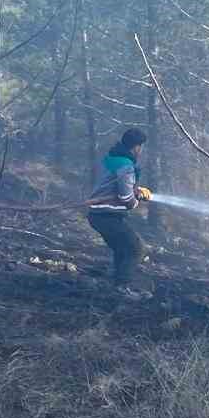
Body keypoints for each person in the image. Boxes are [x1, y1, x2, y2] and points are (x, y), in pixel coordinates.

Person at [86, 127, 154, 298]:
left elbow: (110, 185)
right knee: (137, 249)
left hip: (97, 215)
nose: (141, 150)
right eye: (141, 147)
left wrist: (136, 189)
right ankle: (122, 288)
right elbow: (126, 198)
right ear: (136, 147)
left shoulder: (111, 159)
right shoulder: (126, 166)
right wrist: (136, 200)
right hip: (106, 216)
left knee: (122, 248)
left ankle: (117, 287)